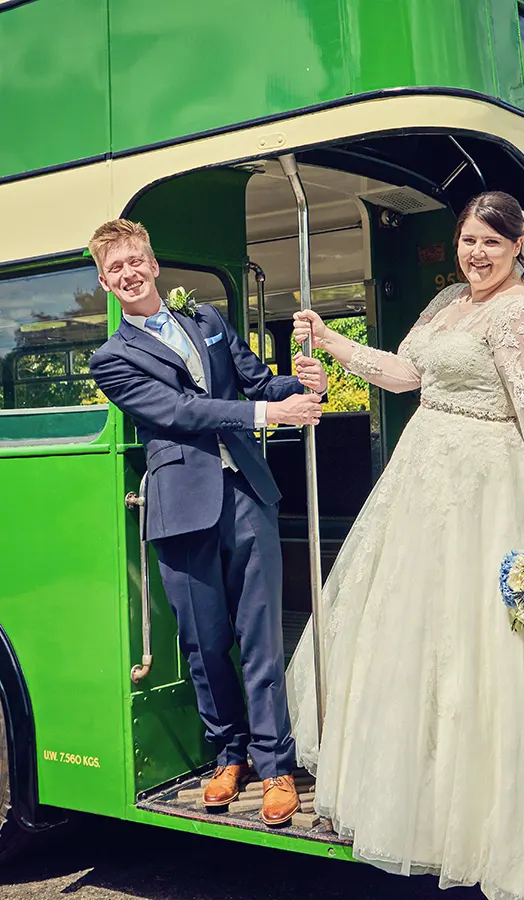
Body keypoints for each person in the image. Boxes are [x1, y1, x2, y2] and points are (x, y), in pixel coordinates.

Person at [286, 193, 524, 898]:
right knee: (413, 639)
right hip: (420, 481)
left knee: (486, 654)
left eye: (491, 241)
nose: (476, 253)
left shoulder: (521, 313)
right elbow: (405, 375)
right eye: (467, 239)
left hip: (486, 487)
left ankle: (500, 832)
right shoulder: (451, 301)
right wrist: (332, 342)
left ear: (519, 247)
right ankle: (421, 807)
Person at [88, 218, 327, 826]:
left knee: (261, 636)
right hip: (181, 508)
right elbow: (176, 410)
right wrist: (267, 409)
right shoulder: (110, 359)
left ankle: (275, 766)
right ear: (104, 281)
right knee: (203, 642)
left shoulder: (210, 322)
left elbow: (255, 380)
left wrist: (300, 381)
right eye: (116, 269)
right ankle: (229, 755)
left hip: (248, 493)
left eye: (136, 260)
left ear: (154, 262)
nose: (130, 273)